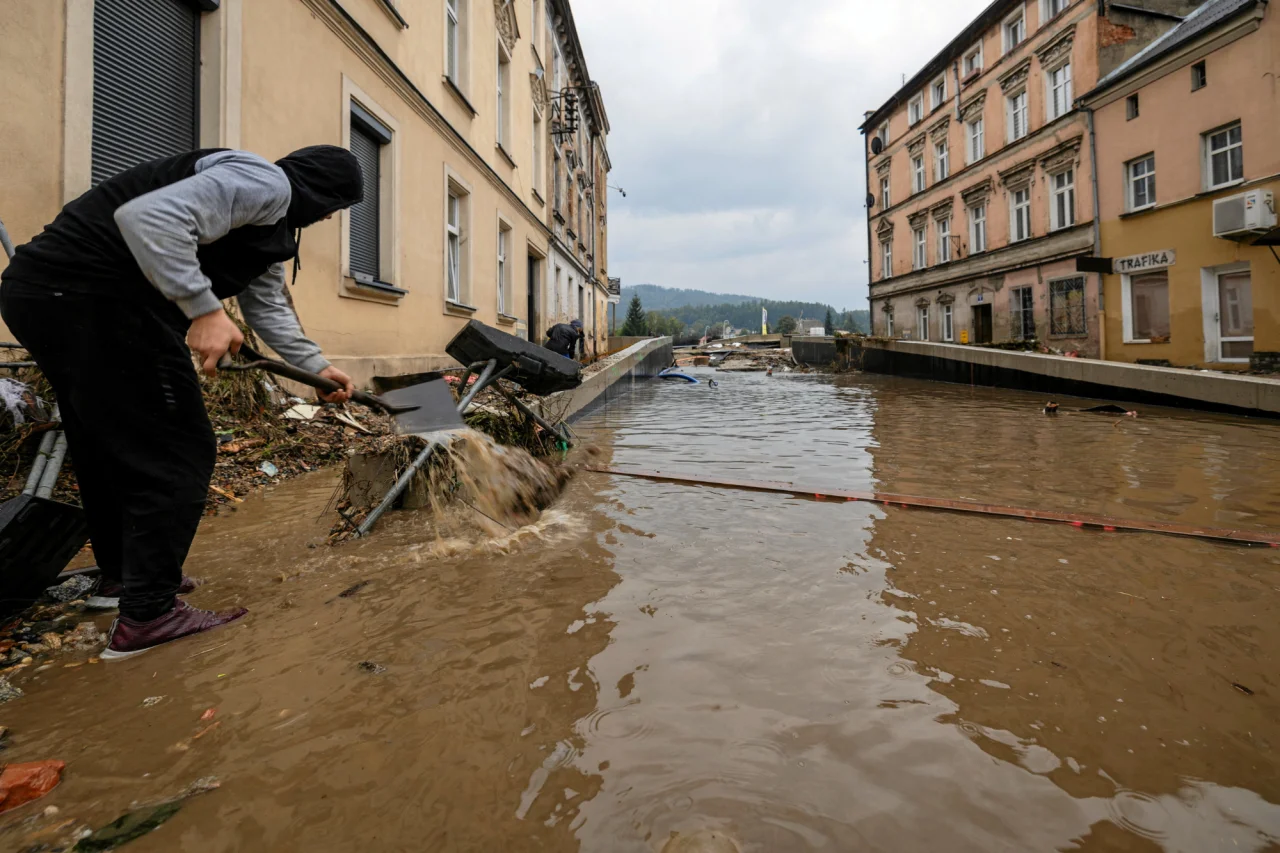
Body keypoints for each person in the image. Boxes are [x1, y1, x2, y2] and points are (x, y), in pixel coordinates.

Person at [0, 145, 364, 660]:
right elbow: (146, 216)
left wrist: (316, 369)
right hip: (97, 296)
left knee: (105, 441)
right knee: (179, 451)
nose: (328, 217)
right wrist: (206, 310)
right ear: (320, 191)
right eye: (335, 206)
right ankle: (149, 615)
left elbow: (266, 306)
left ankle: (124, 580)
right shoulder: (265, 184)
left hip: (47, 294)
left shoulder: (264, 224)